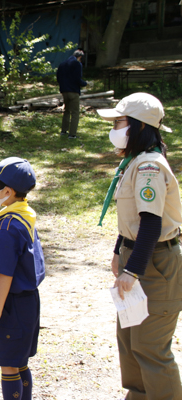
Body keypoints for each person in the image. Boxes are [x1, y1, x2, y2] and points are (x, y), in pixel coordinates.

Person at [97, 92, 182, 400]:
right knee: (130, 340)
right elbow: (132, 217)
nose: (115, 128)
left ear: (138, 125)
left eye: (120, 122)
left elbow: (151, 223)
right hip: (138, 254)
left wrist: (132, 270)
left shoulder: (150, 166)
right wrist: (120, 250)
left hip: (156, 263)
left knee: (150, 347)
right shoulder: (135, 162)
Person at [0, 157, 45, 400]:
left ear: (7, 190)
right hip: (28, 301)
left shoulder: (8, 226)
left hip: (12, 302)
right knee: (20, 361)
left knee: (9, 364)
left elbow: (5, 272)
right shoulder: (24, 214)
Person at [57, 49, 87, 139]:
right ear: (80, 57)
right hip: (73, 91)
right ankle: (72, 134)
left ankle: (64, 130)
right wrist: (85, 83)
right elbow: (77, 79)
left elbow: (58, 77)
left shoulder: (62, 64)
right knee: (75, 113)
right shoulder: (77, 64)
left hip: (64, 90)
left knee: (66, 111)